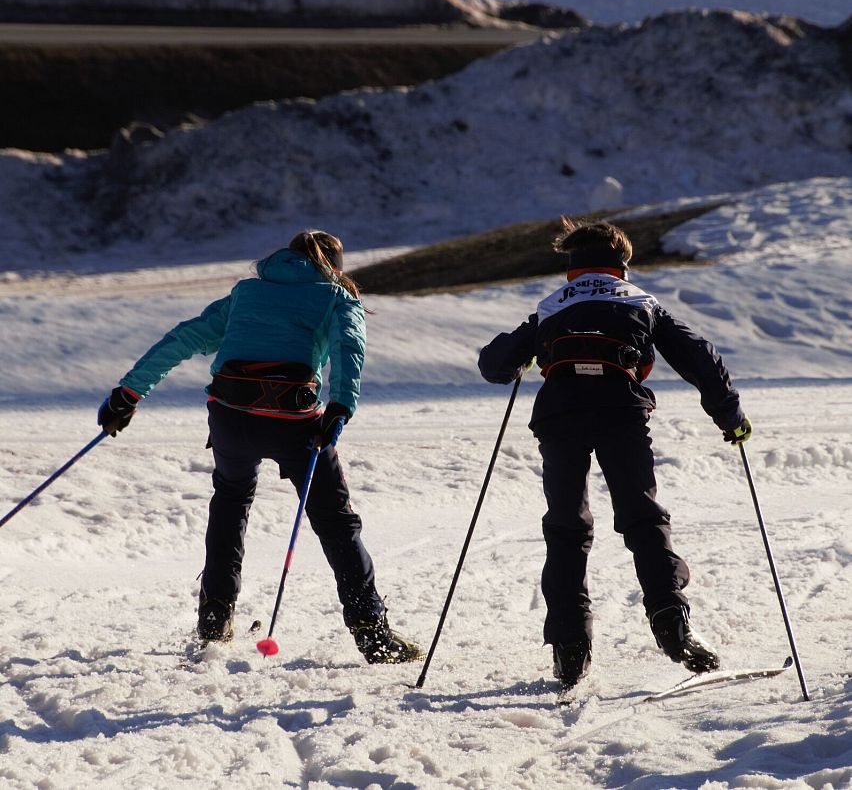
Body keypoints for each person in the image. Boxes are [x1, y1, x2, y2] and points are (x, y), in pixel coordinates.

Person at [97, 230, 422, 664]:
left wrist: (128, 394)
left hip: (232, 417)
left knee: (231, 501)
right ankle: (372, 633)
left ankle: (214, 619)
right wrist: (340, 406)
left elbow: (184, 338)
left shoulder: (247, 293)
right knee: (334, 520)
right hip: (296, 424)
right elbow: (350, 348)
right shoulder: (337, 297)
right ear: (335, 265)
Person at [477, 219, 751, 691]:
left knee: (566, 526)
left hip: (559, 414)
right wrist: (730, 417)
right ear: (621, 263)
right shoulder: (641, 302)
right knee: (642, 517)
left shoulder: (550, 308)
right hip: (620, 409)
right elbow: (700, 357)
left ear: (571, 265)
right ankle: (670, 619)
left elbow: (492, 364)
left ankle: (569, 647)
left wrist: (520, 358)